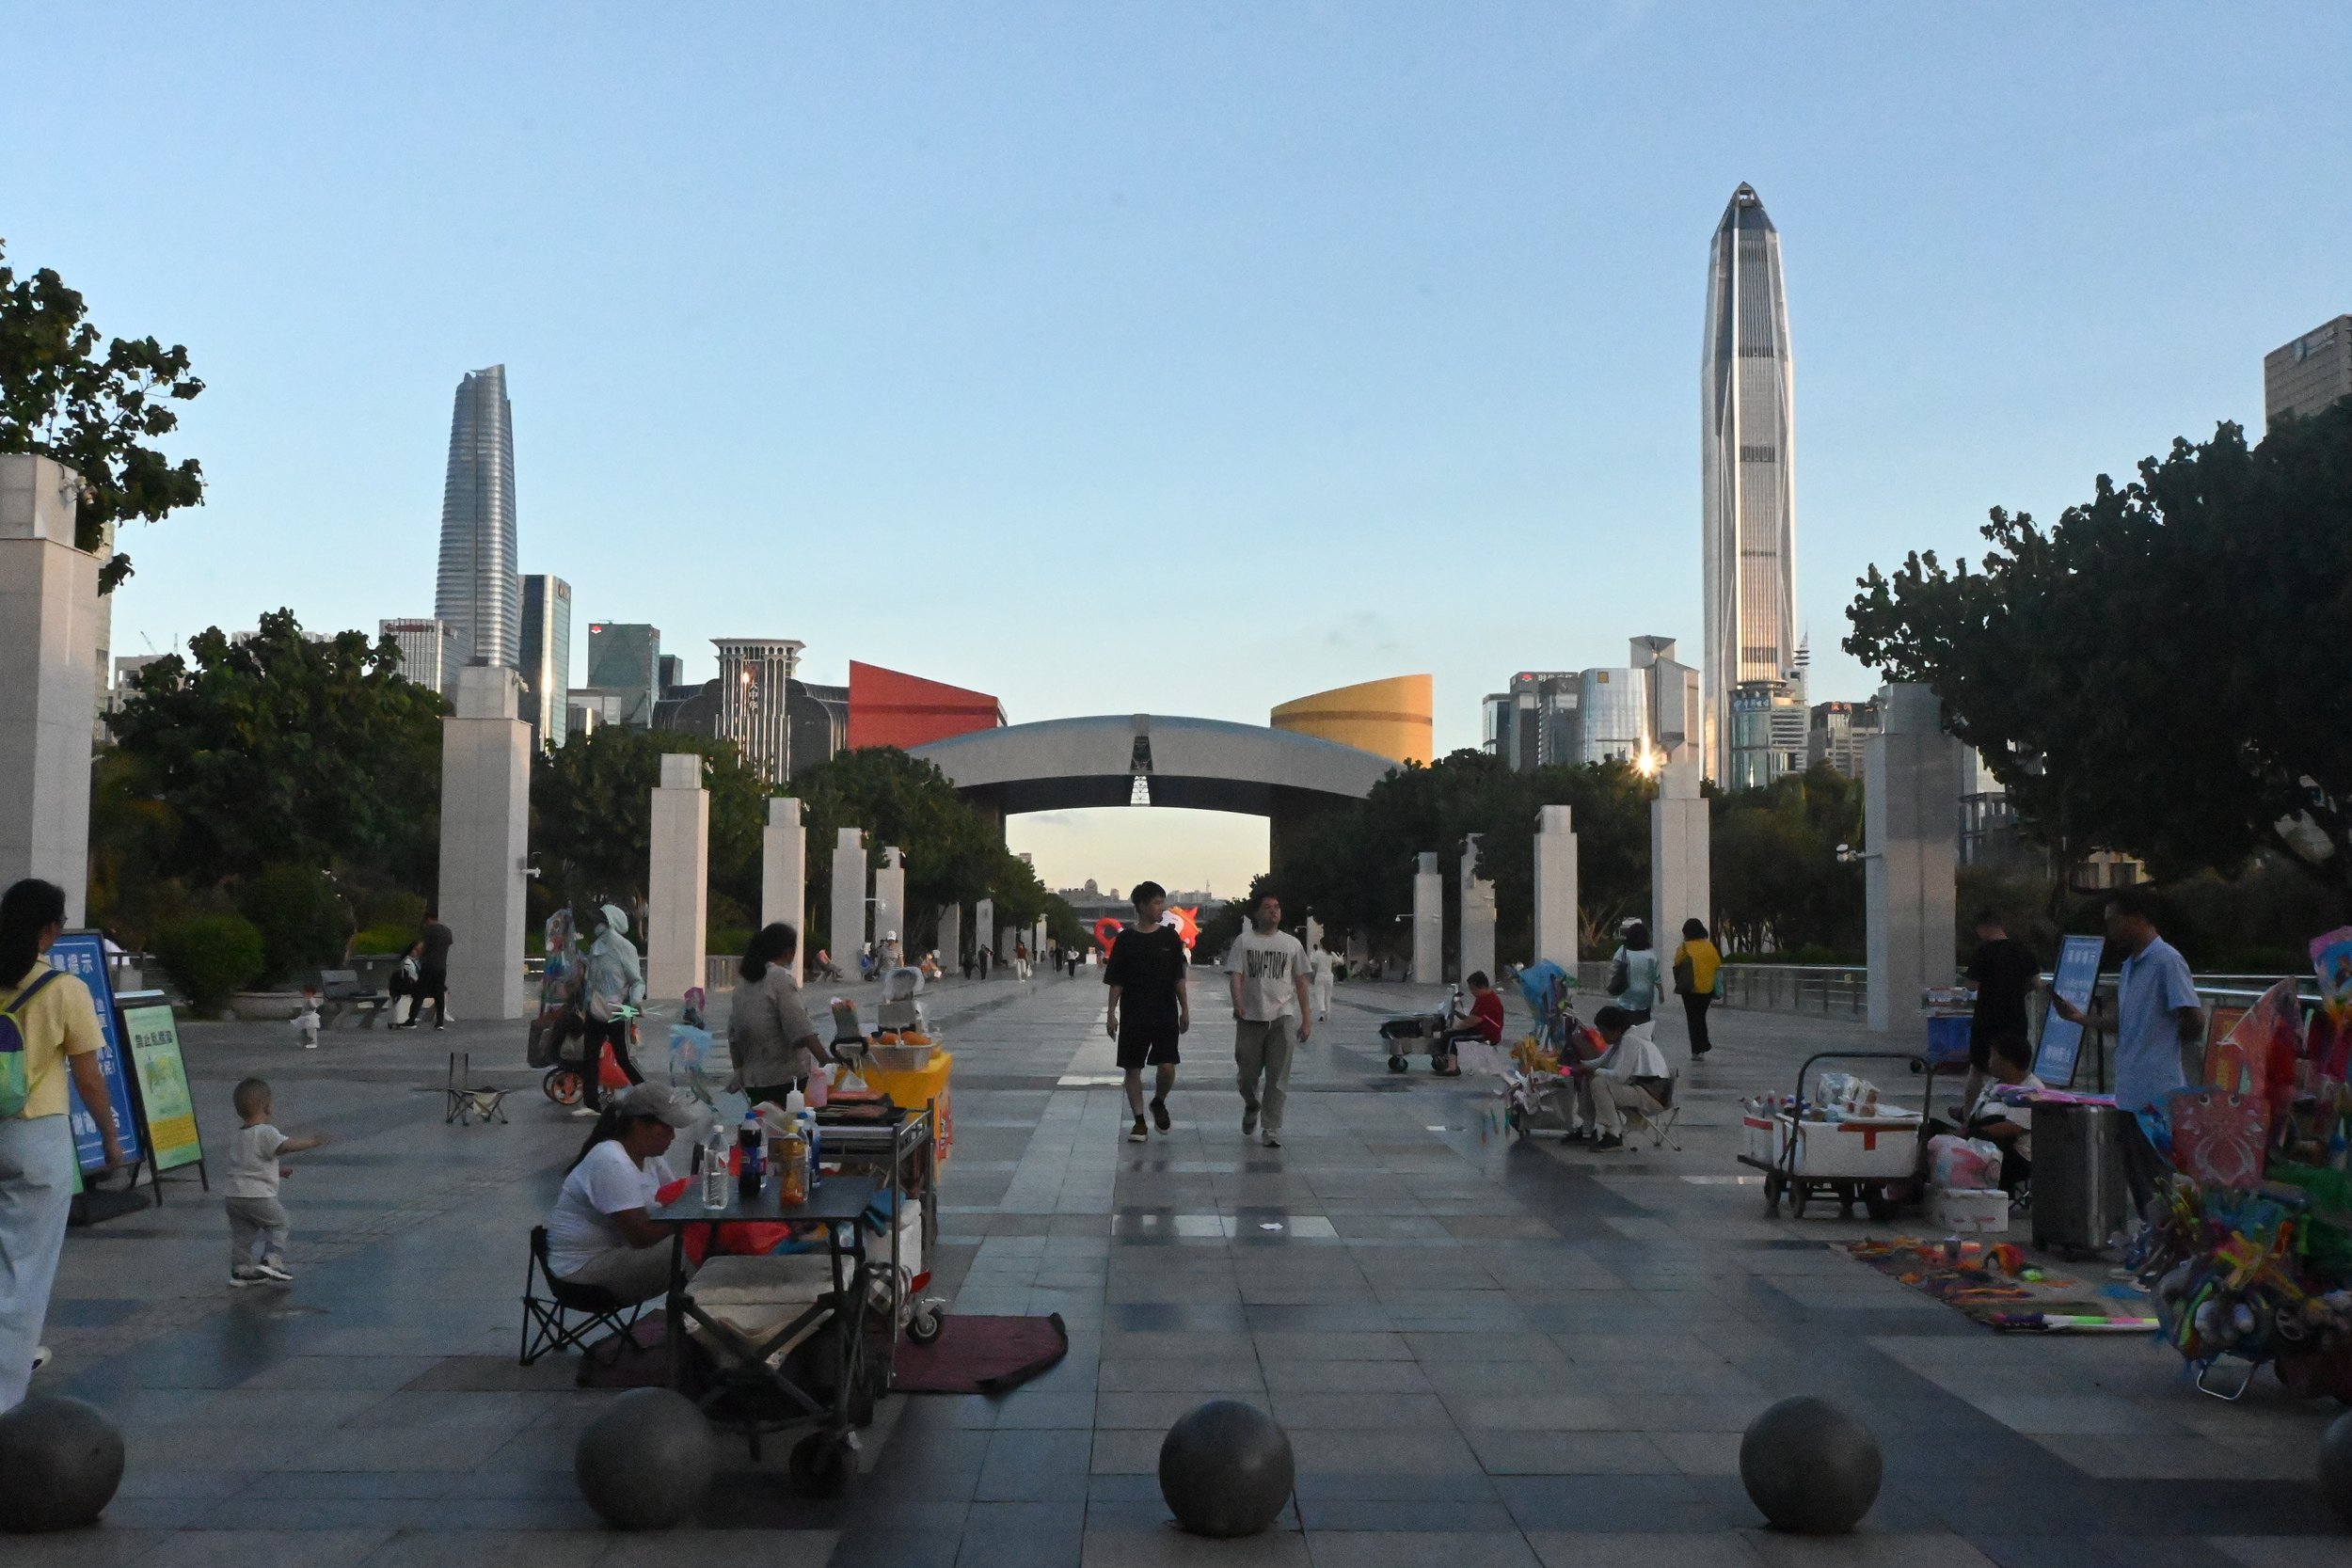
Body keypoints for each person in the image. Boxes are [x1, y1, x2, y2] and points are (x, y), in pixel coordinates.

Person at [0, 879, 125, 1409]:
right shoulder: (63, 988)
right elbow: (89, 1078)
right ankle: (4, 1392)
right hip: (35, 1135)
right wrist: (111, 1139)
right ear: (49, 930)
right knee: (22, 1269)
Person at [2047, 885, 2202, 1215]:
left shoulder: (2167, 961)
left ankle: (2164, 1246)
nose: (2110, 929)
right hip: (2129, 1086)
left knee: (2156, 1175)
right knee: (2137, 1173)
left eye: (2115, 921)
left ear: (2139, 918)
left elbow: (2193, 1017)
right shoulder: (2132, 965)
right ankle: (2150, 1242)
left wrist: (2166, 1040)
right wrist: (2081, 1018)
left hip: (2156, 1089)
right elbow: (2126, 1021)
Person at [546, 1083, 703, 1307]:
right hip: (583, 1273)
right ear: (639, 1124)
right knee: (696, 1247)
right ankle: (698, 1323)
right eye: (667, 1127)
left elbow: (677, 1197)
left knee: (706, 1237)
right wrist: (694, 1216)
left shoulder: (650, 1157)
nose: (673, 1136)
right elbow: (641, 1237)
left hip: (617, 1255)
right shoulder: (610, 1160)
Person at [1224, 894, 1312, 1148]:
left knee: (1278, 1076)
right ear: (1257, 914)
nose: (1273, 912)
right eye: (1267, 908)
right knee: (1246, 1075)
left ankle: (1271, 1127)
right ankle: (1252, 1104)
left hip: (1282, 1017)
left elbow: (1302, 984)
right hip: (1250, 1018)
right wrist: (1238, 1003)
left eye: (1277, 907)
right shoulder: (1244, 941)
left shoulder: (1292, 944)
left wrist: (1306, 1020)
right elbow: (1236, 976)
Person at [1105, 881, 1190, 1143]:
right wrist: (1111, 1013)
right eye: (1156, 902)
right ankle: (1139, 1121)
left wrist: (1184, 1009)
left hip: (1164, 1011)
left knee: (1167, 1066)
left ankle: (1159, 1101)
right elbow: (1116, 980)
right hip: (1134, 1013)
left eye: (1162, 902)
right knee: (1133, 1069)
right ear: (1141, 906)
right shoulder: (1126, 940)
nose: (1161, 908)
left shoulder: (1169, 938)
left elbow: (1178, 977)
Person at [224, 1077, 329, 1287]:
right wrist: (313, 1142)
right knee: (280, 1223)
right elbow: (284, 1146)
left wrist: (277, 1171)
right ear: (267, 1107)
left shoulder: (238, 1136)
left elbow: (250, 1164)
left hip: (234, 1196)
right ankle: (272, 1260)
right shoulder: (266, 1132)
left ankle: (241, 1269)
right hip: (257, 1196)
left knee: (242, 1235)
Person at [729, 924, 825, 1108]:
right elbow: (801, 1028)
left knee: (763, 1128)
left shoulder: (743, 982)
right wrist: (827, 1060)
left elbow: (733, 1035)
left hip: (753, 1080)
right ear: (789, 951)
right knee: (786, 1131)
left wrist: (740, 1071)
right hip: (783, 1079)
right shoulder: (779, 978)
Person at [1571, 1004, 1673, 1153]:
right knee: (1591, 1077)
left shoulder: (1630, 1041)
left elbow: (1620, 1076)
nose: (1602, 1036)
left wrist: (1595, 1071)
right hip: (1642, 1090)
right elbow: (1600, 1062)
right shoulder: (1622, 1038)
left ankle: (1613, 1134)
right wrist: (1579, 1066)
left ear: (1617, 1029)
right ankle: (1587, 1129)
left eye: (1604, 1032)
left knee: (1598, 1082)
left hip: (1653, 1096)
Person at [1963, 911, 2041, 1108]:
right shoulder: (2022, 949)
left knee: (1977, 1069)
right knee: (2015, 1067)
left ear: (1983, 927)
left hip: (1986, 1017)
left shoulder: (1983, 951)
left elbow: (1971, 984)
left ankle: (1969, 1114)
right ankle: (2010, 1109)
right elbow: (2036, 982)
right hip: (2016, 1017)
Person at [579, 903, 646, 1117]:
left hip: (619, 1010)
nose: (596, 925)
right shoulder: (595, 947)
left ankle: (648, 1096)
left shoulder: (624, 947)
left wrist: (635, 1003)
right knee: (589, 1057)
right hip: (595, 1010)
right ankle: (591, 1103)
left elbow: (637, 981)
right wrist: (585, 1005)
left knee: (624, 1056)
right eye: (596, 921)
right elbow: (592, 983)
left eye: (601, 921)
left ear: (611, 923)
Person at [1963, 1032, 2043, 1196]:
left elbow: (2012, 1128)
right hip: (1983, 1140)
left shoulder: (2031, 1090)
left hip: (2016, 1155)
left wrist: (1970, 1134)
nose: (1989, 1062)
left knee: (1982, 1139)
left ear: (2009, 1062)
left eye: (1993, 1057)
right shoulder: (1995, 1084)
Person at [1429, 971, 1505, 1077]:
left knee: (1450, 1036)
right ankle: (1450, 1062)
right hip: (1481, 1028)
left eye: (1471, 988)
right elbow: (1474, 1018)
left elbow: (1474, 1020)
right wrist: (1457, 1014)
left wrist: (1455, 1028)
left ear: (1477, 987)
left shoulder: (1488, 1001)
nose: (1471, 992)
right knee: (1450, 1034)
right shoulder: (1485, 997)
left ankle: (1452, 1068)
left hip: (1486, 1032)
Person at [1670, 919, 1722, 1057]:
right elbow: (1717, 963)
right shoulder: (1709, 946)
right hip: (1707, 988)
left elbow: (1677, 963)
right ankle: (1702, 1045)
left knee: (1692, 1018)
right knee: (1701, 1017)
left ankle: (1697, 1049)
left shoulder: (1684, 947)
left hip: (1690, 988)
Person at [402, 910, 453, 1030]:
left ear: (429, 919)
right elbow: (447, 946)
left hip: (429, 965)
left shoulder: (430, 930)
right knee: (439, 994)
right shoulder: (447, 931)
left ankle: (411, 1020)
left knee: (420, 992)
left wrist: (422, 955)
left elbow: (425, 947)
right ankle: (440, 1022)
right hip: (441, 967)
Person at [1608, 921, 1664, 1024]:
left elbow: (1613, 970)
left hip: (1626, 991)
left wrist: (1614, 980)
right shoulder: (1650, 954)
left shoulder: (1623, 951)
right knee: (1643, 1021)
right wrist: (1661, 992)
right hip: (1645, 994)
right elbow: (1655, 976)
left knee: (1624, 1023)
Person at [388, 940, 422, 1026]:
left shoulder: (417, 961)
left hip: (413, 985)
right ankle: (412, 1017)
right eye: (416, 950)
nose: (418, 953)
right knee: (420, 994)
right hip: (407, 986)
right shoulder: (407, 962)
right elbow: (414, 977)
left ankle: (413, 1016)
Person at [1308, 940, 1339, 1022]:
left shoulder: (1317, 953)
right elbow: (1340, 962)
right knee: (1328, 995)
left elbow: (1314, 966)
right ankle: (1327, 1013)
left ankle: (1322, 1010)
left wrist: (1312, 977)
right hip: (1329, 975)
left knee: (1320, 994)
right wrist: (1332, 965)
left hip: (1320, 975)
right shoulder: (1331, 953)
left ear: (1321, 944)